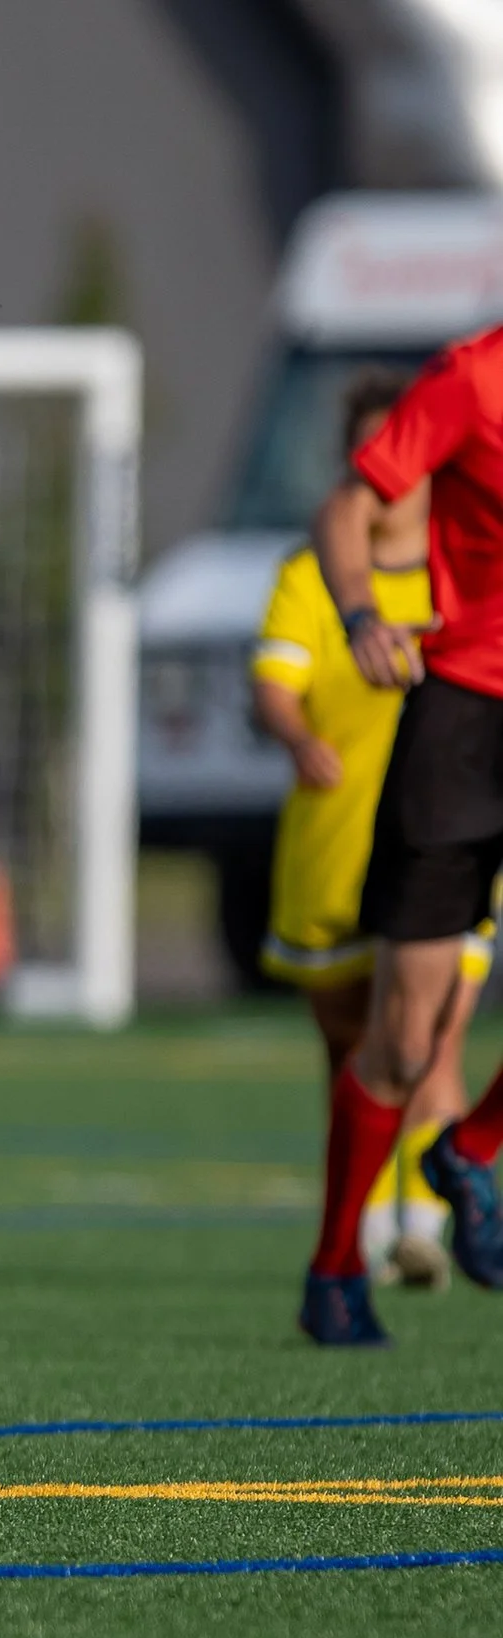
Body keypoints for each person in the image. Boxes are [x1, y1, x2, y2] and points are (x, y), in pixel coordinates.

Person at [253, 371, 479, 1293]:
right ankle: (354, 1236)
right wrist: (303, 733)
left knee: (434, 1037)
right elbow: (274, 686)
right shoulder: (314, 578)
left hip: (456, 826)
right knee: (362, 1051)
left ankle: (428, 1220)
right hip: (338, 849)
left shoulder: (463, 568)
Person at [314, 321, 503, 1343]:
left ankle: (468, 1146)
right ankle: (335, 1263)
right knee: (404, 1035)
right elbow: (348, 506)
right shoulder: (471, 378)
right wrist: (357, 614)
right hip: (462, 722)